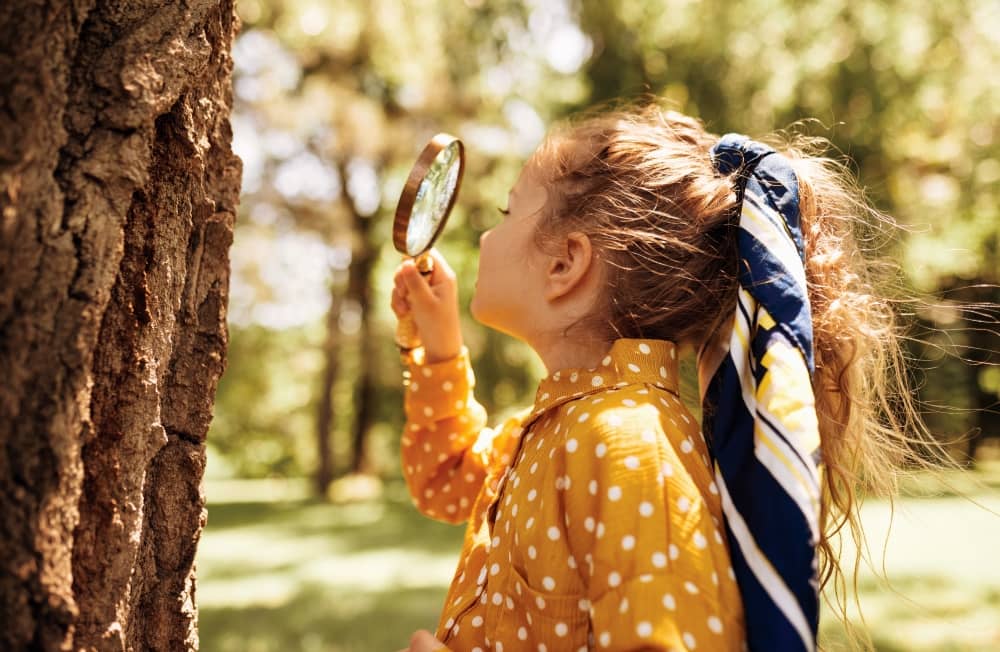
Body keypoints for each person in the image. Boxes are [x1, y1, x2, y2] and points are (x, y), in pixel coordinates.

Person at [391, 102, 928, 652]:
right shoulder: (555, 428)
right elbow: (448, 479)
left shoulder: (632, 448)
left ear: (564, 265)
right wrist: (437, 348)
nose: (485, 236)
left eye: (507, 214)